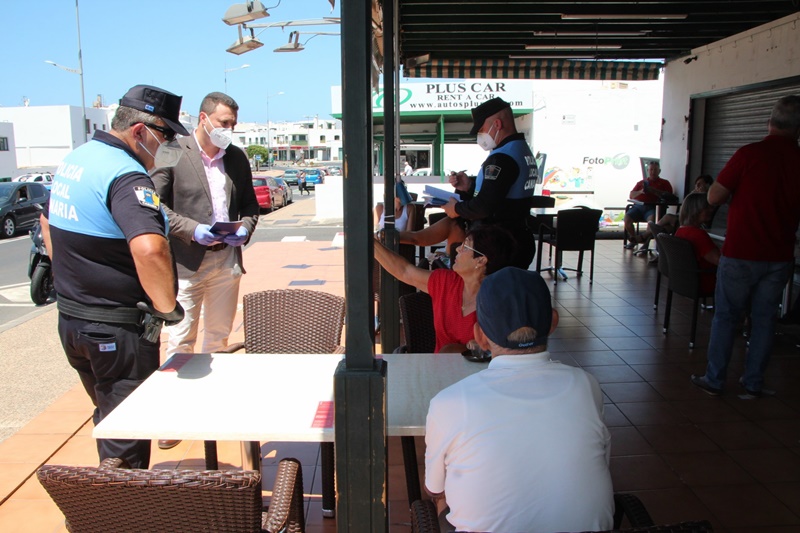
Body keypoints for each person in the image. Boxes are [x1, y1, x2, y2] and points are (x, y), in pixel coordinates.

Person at [40, 84, 187, 469]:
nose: (168, 145)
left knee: (109, 416)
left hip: (74, 321)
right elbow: (150, 249)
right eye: (165, 135)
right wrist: (167, 307)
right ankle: (122, 499)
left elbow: (46, 221)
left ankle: (110, 489)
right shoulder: (126, 176)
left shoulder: (78, 159)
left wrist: (74, 275)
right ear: (140, 131)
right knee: (127, 433)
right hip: (116, 331)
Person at [425, 267, 613, 532]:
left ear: (479, 336)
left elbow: (434, 488)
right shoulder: (586, 385)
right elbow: (602, 461)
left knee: (443, 500)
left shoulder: (449, 403)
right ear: (553, 323)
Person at [151, 92, 259, 448]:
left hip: (226, 260)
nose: (229, 130)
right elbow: (156, 206)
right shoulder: (171, 151)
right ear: (203, 118)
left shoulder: (236, 157)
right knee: (180, 339)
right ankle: (174, 418)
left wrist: (244, 229)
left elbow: (250, 206)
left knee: (218, 338)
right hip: (186, 263)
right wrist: (193, 230)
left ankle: (213, 408)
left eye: (233, 124)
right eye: (224, 122)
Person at [691, 95, 800, 399]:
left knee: (727, 316)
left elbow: (713, 197)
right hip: (779, 255)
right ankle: (753, 382)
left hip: (741, 251)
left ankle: (715, 379)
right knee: (765, 320)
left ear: (769, 122)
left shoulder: (749, 154)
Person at [374, 224, 516, 353]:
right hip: (439, 368)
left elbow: (505, 351)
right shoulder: (447, 282)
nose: (458, 249)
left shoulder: (500, 302)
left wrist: (473, 349)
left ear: (481, 260)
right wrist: (371, 242)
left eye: (465, 246)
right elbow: (405, 271)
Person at [441, 98, 538, 269]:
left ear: (497, 124)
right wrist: (469, 187)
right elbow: (501, 197)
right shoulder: (521, 151)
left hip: (500, 245)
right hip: (517, 237)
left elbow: (485, 206)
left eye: (481, 130)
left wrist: (456, 209)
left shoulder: (502, 158)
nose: (480, 136)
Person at [674, 191, 720, 294]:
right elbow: (720, 261)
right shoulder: (699, 235)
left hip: (686, 280)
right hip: (705, 280)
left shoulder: (680, 231)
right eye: (706, 207)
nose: (711, 210)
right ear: (696, 210)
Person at [623, 161, 674, 249]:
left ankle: (645, 244)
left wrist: (654, 190)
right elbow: (631, 195)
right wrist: (641, 191)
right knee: (627, 219)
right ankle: (634, 240)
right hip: (638, 207)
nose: (653, 172)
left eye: (655, 170)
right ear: (648, 171)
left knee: (651, 223)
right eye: (651, 169)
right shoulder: (641, 183)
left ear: (659, 171)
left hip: (652, 207)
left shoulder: (664, 183)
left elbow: (670, 196)